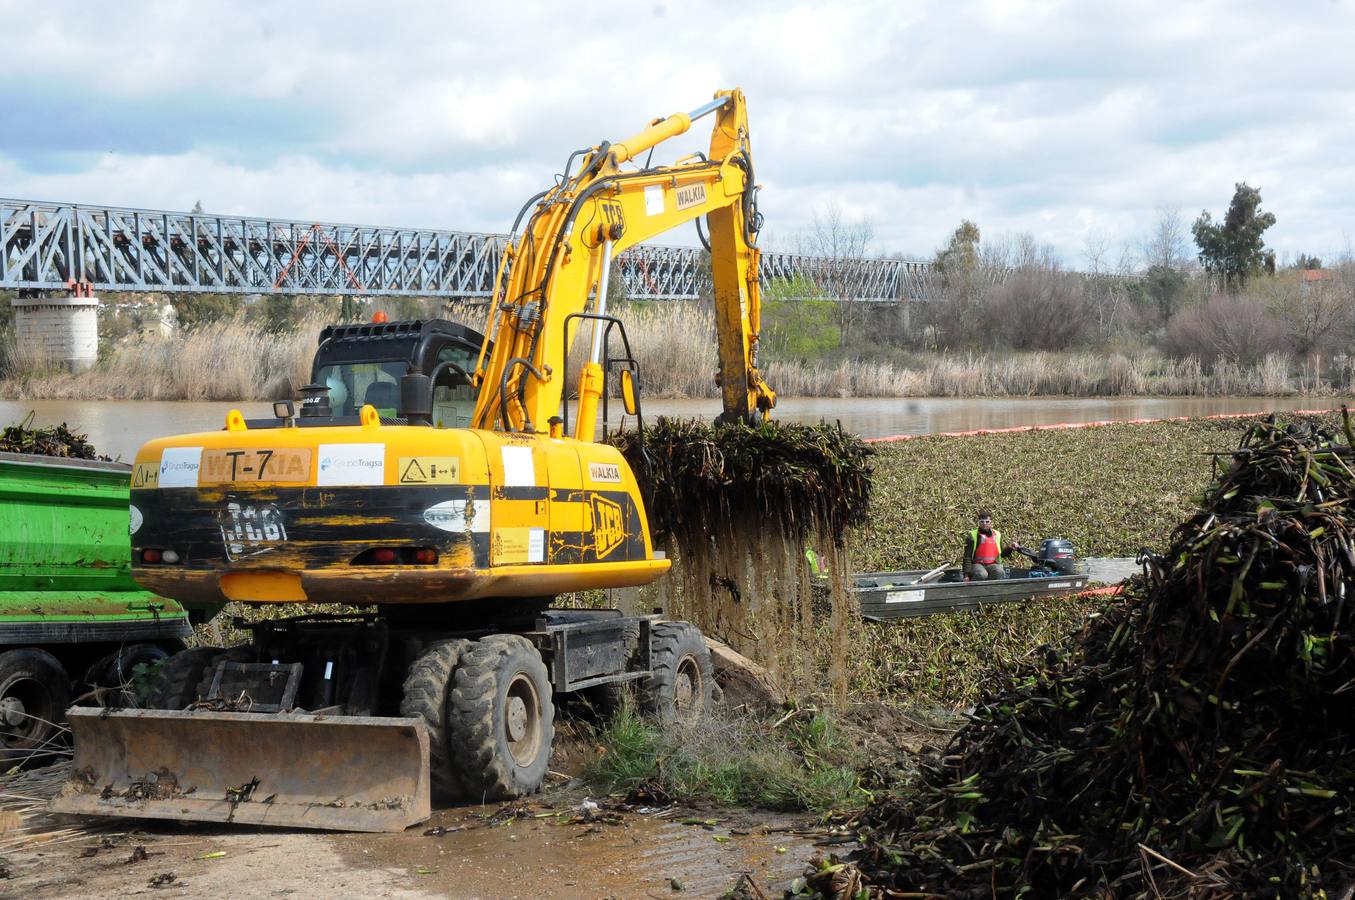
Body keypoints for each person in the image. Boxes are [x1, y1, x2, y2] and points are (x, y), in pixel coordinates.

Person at [963, 510, 1021, 581]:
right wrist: (966, 575)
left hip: (993, 564)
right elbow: (967, 556)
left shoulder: (997, 534)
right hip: (977, 564)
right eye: (982, 522)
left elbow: (1002, 554)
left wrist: (1010, 548)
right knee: (982, 574)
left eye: (987, 522)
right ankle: (974, 587)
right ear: (978, 522)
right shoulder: (972, 535)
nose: (984, 524)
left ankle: (991, 587)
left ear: (991, 522)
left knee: (999, 572)